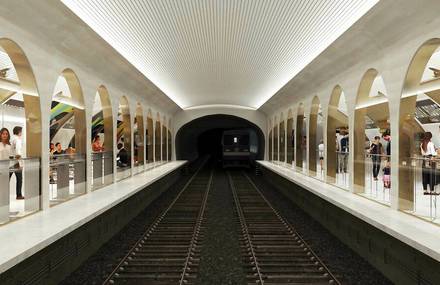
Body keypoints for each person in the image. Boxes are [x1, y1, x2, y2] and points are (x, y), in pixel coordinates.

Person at [10, 126, 23, 199]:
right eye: (21, 131)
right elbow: (18, 152)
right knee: (19, 179)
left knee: (7, 179)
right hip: (16, 162)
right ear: (19, 131)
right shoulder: (17, 139)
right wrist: (20, 163)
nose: (21, 133)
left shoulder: (11, 138)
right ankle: (19, 195)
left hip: (10, 161)